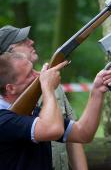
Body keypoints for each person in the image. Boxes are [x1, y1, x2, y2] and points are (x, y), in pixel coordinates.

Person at [0, 52, 111, 170]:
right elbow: (53, 129)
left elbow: (83, 133)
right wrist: (48, 88)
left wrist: (97, 91)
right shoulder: (3, 120)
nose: (38, 75)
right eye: (30, 74)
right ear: (11, 88)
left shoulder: (29, 111)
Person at [0, 25, 87, 169]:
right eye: (22, 41)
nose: (31, 42)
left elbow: (75, 135)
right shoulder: (7, 102)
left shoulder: (52, 83)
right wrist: (47, 89)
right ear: (8, 54)